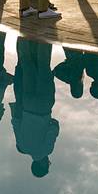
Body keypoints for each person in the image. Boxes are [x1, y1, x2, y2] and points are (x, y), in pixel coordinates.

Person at [11, 38, 59, 178]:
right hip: (27, 104)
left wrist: (53, 123)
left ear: (42, 165)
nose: (49, 162)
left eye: (48, 165)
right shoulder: (23, 146)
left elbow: (53, 130)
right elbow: (15, 122)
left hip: (44, 107)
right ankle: (25, 37)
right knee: (27, 66)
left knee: (44, 66)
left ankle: (44, 37)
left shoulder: (46, 150)